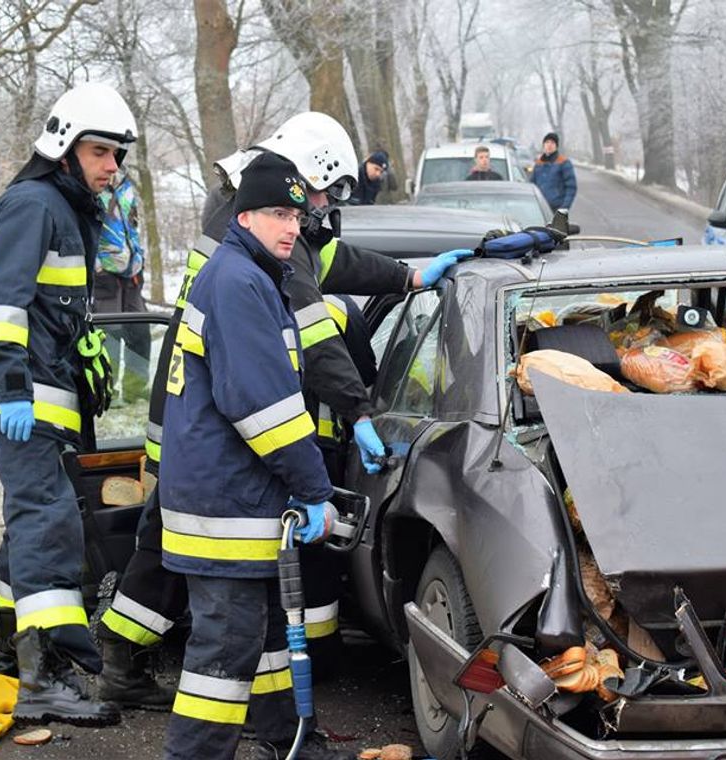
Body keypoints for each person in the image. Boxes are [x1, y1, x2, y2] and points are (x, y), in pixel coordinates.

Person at [98, 113, 471, 711]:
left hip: (197, 419)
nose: (316, 210)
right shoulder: (258, 242)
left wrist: (410, 275)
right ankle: (123, 659)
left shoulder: (263, 223)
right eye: (317, 194)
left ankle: (141, 661)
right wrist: (360, 412)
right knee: (175, 549)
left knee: (170, 543)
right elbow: (315, 338)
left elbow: (337, 260)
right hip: (208, 431)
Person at [160, 151, 353, 760]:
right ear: (243, 217)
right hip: (226, 505)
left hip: (241, 498)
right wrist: (315, 487)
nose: (291, 225)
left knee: (270, 635)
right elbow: (262, 406)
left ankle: (284, 740)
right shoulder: (240, 283)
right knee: (223, 656)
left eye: (296, 213)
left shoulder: (248, 274)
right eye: (276, 213)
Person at [0, 82, 137, 728]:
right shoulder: (35, 205)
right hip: (24, 400)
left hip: (42, 398)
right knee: (49, 523)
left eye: (117, 156)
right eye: (101, 153)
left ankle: (17, 648)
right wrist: (11, 390)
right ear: (64, 149)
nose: (111, 167)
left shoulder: (64, 210)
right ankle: (43, 678)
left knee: (30, 520)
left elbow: (52, 312)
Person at [92, 168, 150, 403]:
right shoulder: (92, 187)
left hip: (131, 273)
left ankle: (135, 390)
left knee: (140, 332)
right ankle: (108, 391)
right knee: (110, 336)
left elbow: (132, 226)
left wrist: (139, 258)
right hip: (104, 274)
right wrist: (95, 266)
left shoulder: (125, 185)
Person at [532, 131, 578, 210]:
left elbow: (571, 187)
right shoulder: (539, 163)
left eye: (552, 143)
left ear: (556, 146)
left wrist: (564, 207)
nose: (549, 145)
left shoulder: (563, 162)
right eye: (547, 142)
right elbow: (532, 184)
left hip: (557, 208)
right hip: (539, 208)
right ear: (543, 145)